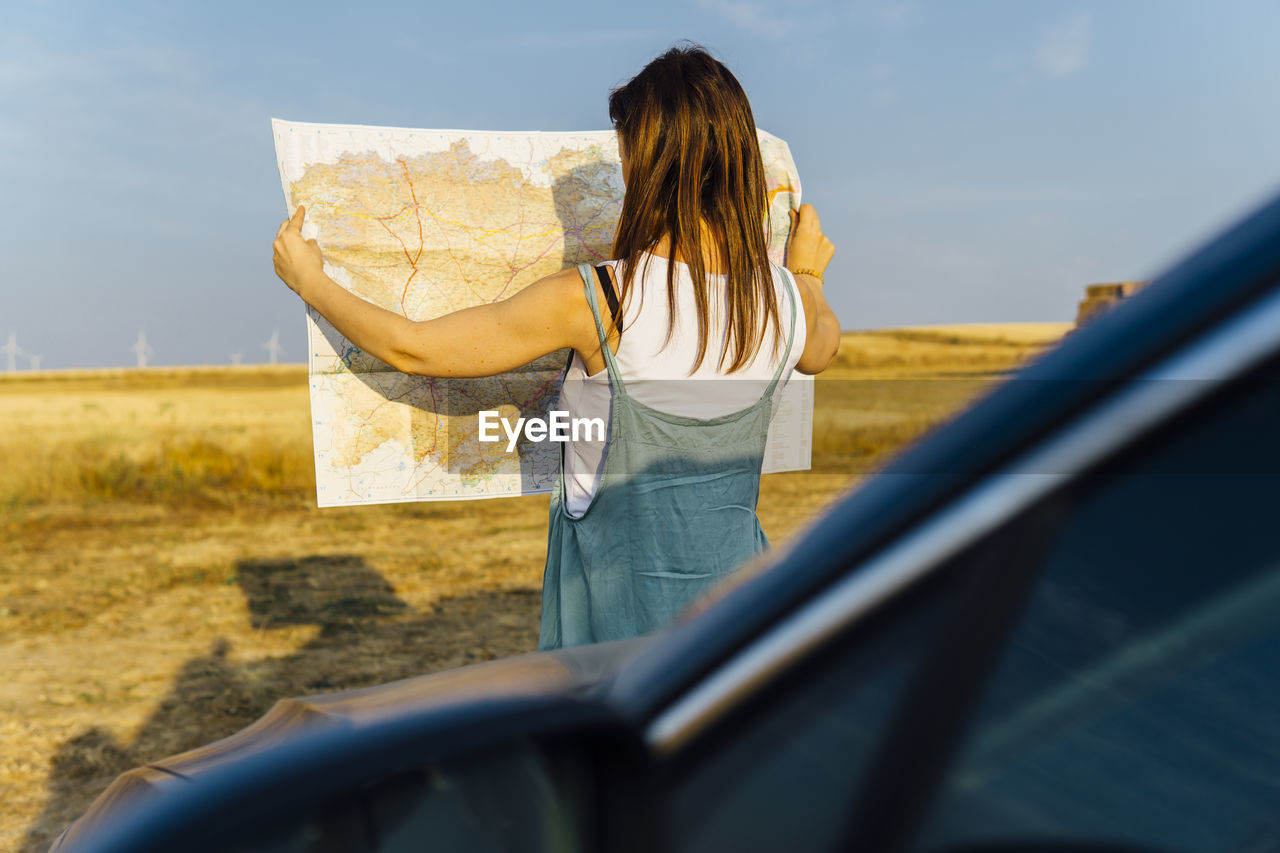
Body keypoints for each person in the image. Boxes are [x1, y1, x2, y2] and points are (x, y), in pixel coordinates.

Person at [273, 45, 840, 650]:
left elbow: (415, 349)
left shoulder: (599, 302)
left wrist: (312, 281)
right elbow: (822, 348)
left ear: (650, 163)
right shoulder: (779, 301)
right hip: (744, 627)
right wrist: (807, 277)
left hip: (618, 639)